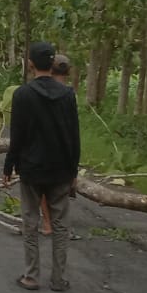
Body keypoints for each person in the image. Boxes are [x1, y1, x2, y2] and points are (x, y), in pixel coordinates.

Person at [3, 42, 81, 291]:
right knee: (60, 225)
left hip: (32, 168)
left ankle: (31, 276)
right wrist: (74, 172)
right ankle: (58, 279)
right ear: (53, 64)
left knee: (31, 222)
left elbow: (18, 135)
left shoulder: (23, 94)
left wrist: (9, 166)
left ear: (31, 64)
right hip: (60, 168)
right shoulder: (68, 95)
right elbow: (74, 135)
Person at [39, 54, 82, 240]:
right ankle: (60, 226)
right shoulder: (69, 94)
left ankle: (48, 223)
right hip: (63, 148)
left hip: (40, 147)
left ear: (50, 69)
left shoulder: (37, 90)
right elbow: (73, 129)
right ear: (69, 71)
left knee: (41, 186)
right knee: (60, 189)